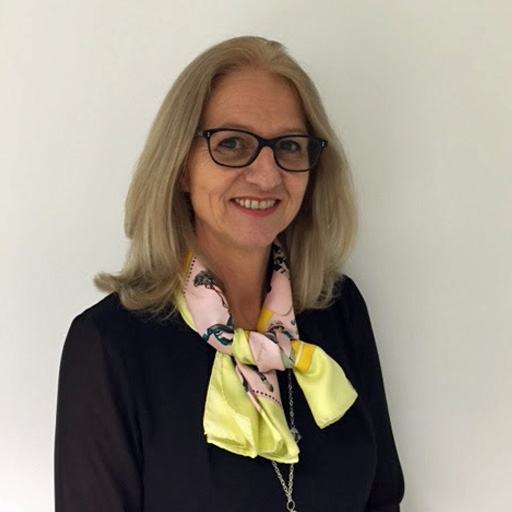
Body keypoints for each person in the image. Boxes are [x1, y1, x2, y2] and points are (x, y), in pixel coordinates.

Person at [55, 36, 404, 512]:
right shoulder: (108, 345)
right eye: (233, 144)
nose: (267, 175)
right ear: (181, 167)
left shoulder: (339, 309)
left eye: (289, 146)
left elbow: (382, 498)